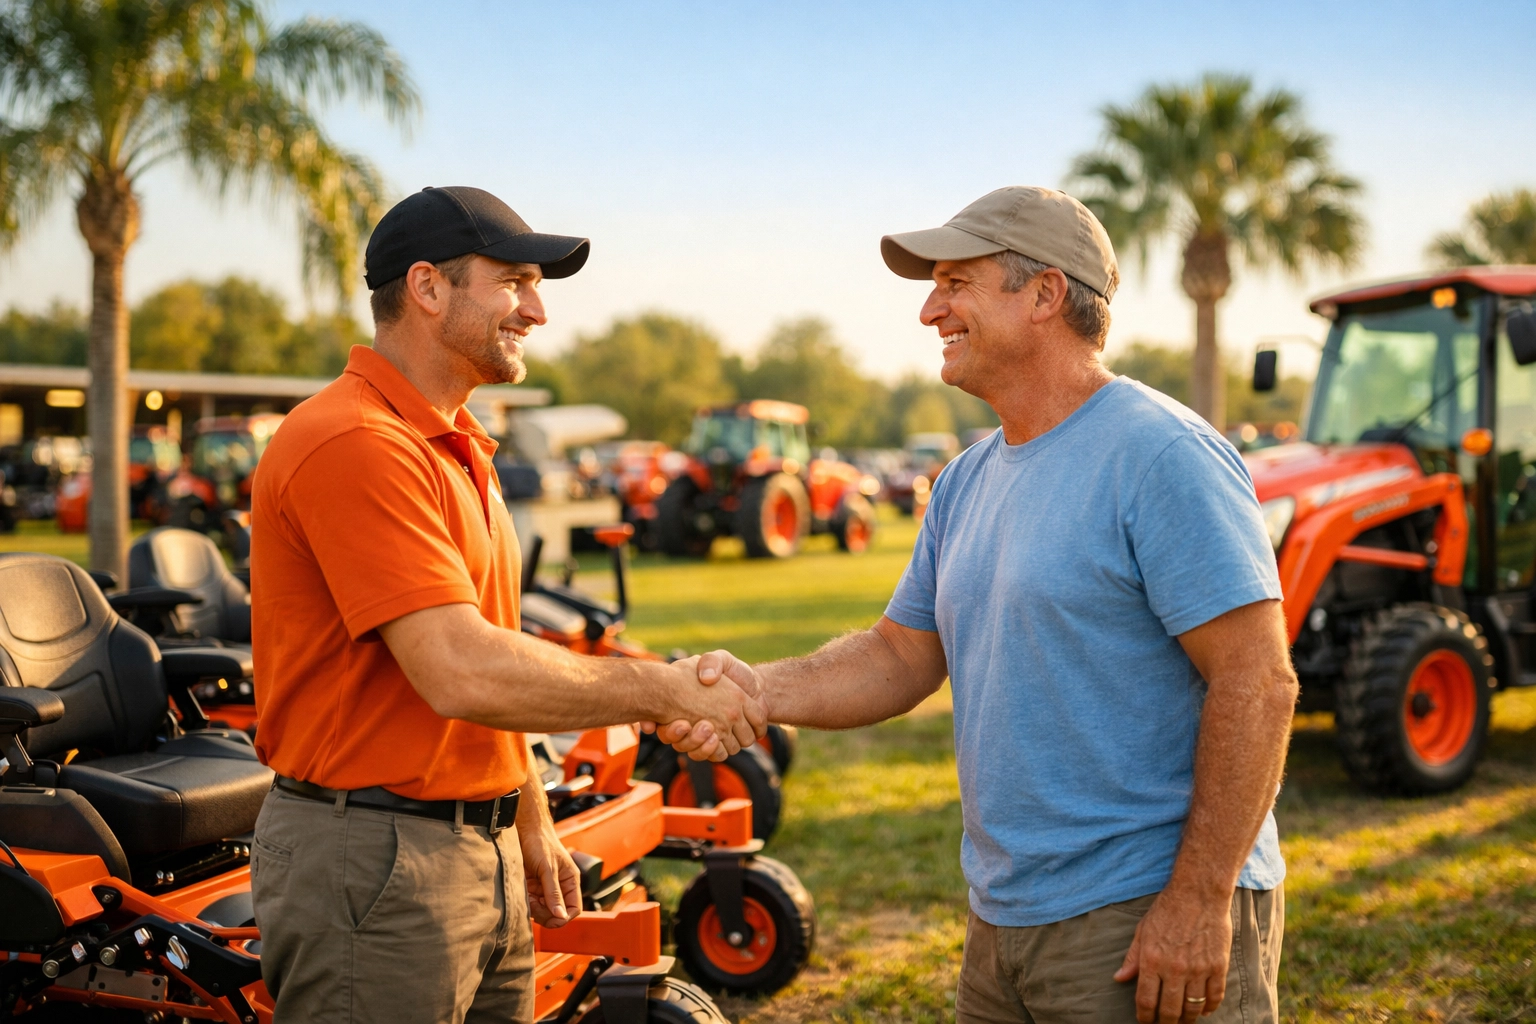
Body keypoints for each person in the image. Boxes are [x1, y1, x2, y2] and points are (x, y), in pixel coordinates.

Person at [663, 186, 1298, 1024]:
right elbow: (898, 656)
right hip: (1003, 923)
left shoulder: (1161, 454)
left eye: (956, 283)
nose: (931, 309)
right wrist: (756, 690)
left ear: (1044, 296)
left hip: (1141, 914)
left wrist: (1198, 899)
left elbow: (1258, 684)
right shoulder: (965, 479)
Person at [248, 186, 765, 1023]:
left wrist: (525, 818)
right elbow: (458, 669)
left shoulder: (457, 448)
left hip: (469, 849)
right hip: (376, 861)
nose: (537, 310)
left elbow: (493, 653)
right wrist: (662, 691)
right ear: (427, 287)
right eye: (515, 282)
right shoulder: (353, 441)